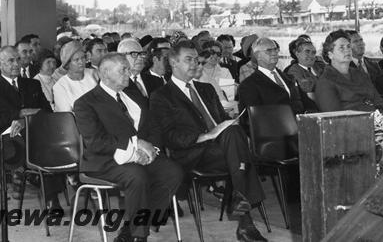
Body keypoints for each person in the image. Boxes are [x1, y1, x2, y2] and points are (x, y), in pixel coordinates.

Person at [147, 40, 269, 242]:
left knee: (234, 132)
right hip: (191, 153)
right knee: (241, 155)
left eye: (196, 59)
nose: (195, 64)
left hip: (222, 149)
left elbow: (222, 122)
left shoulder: (206, 89)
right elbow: (169, 136)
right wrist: (203, 136)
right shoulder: (161, 96)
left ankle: (244, 216)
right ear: (173, 63)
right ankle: (245, 220)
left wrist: (228, 127)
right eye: (189, 59)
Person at [74, 54, 183, 242]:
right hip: (105, 160)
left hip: (143, 155)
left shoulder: (133, 95)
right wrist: (135, 145)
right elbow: (96, 141)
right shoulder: (86, 103)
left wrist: (153, 150)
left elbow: (153, 126)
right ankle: (139, 236)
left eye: (127, 68)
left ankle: (133, 227)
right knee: (136, 176)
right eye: (123, 69)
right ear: (105, 73)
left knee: (172, 172)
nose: (129, 72)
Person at [0, 46, 63, 208]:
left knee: (48, 146)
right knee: (40, 150)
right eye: (10, 60)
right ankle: (49, 194)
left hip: (35, 136)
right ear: (0, 64)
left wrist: (25, 122)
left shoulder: (32, 84)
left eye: (18, 59)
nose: (16, 64)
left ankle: (32, 177)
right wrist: (20, 113)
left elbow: (46, 112)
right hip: (5, 141)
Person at [315, 30, 383, 113]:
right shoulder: (325, 82)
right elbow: (334, 118)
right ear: (330, 55)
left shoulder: (360, 74)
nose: (347, 50)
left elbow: (380, 103)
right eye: (341, 47)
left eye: (348, 46)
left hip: (379, 120)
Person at [238, 37, 310, 117]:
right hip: (275, 126)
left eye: (275, 49)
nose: (274, 53)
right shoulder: (249, 85)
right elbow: (253, 118)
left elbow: (307, 102)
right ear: (258, 55)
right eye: (269, 50)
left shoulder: (289, 78)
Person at [53, 40, 99, 112]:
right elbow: (66, 115)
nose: (81, 62)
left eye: (83, 58)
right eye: (76, 60)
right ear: (68, 64)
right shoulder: (60, 86)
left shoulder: (94, 74)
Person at [198, 40, 236, 111]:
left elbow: (229, 97)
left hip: (224, 109)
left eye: (218, 54)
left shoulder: (225, 72)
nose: (215, 56)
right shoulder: (196, 72)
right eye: (212, 52)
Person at [117, 38, 152, 105]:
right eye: (134, 54)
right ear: (121, 57)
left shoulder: (157, 81)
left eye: (142, 53)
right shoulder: (117, 84)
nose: (140, 58)